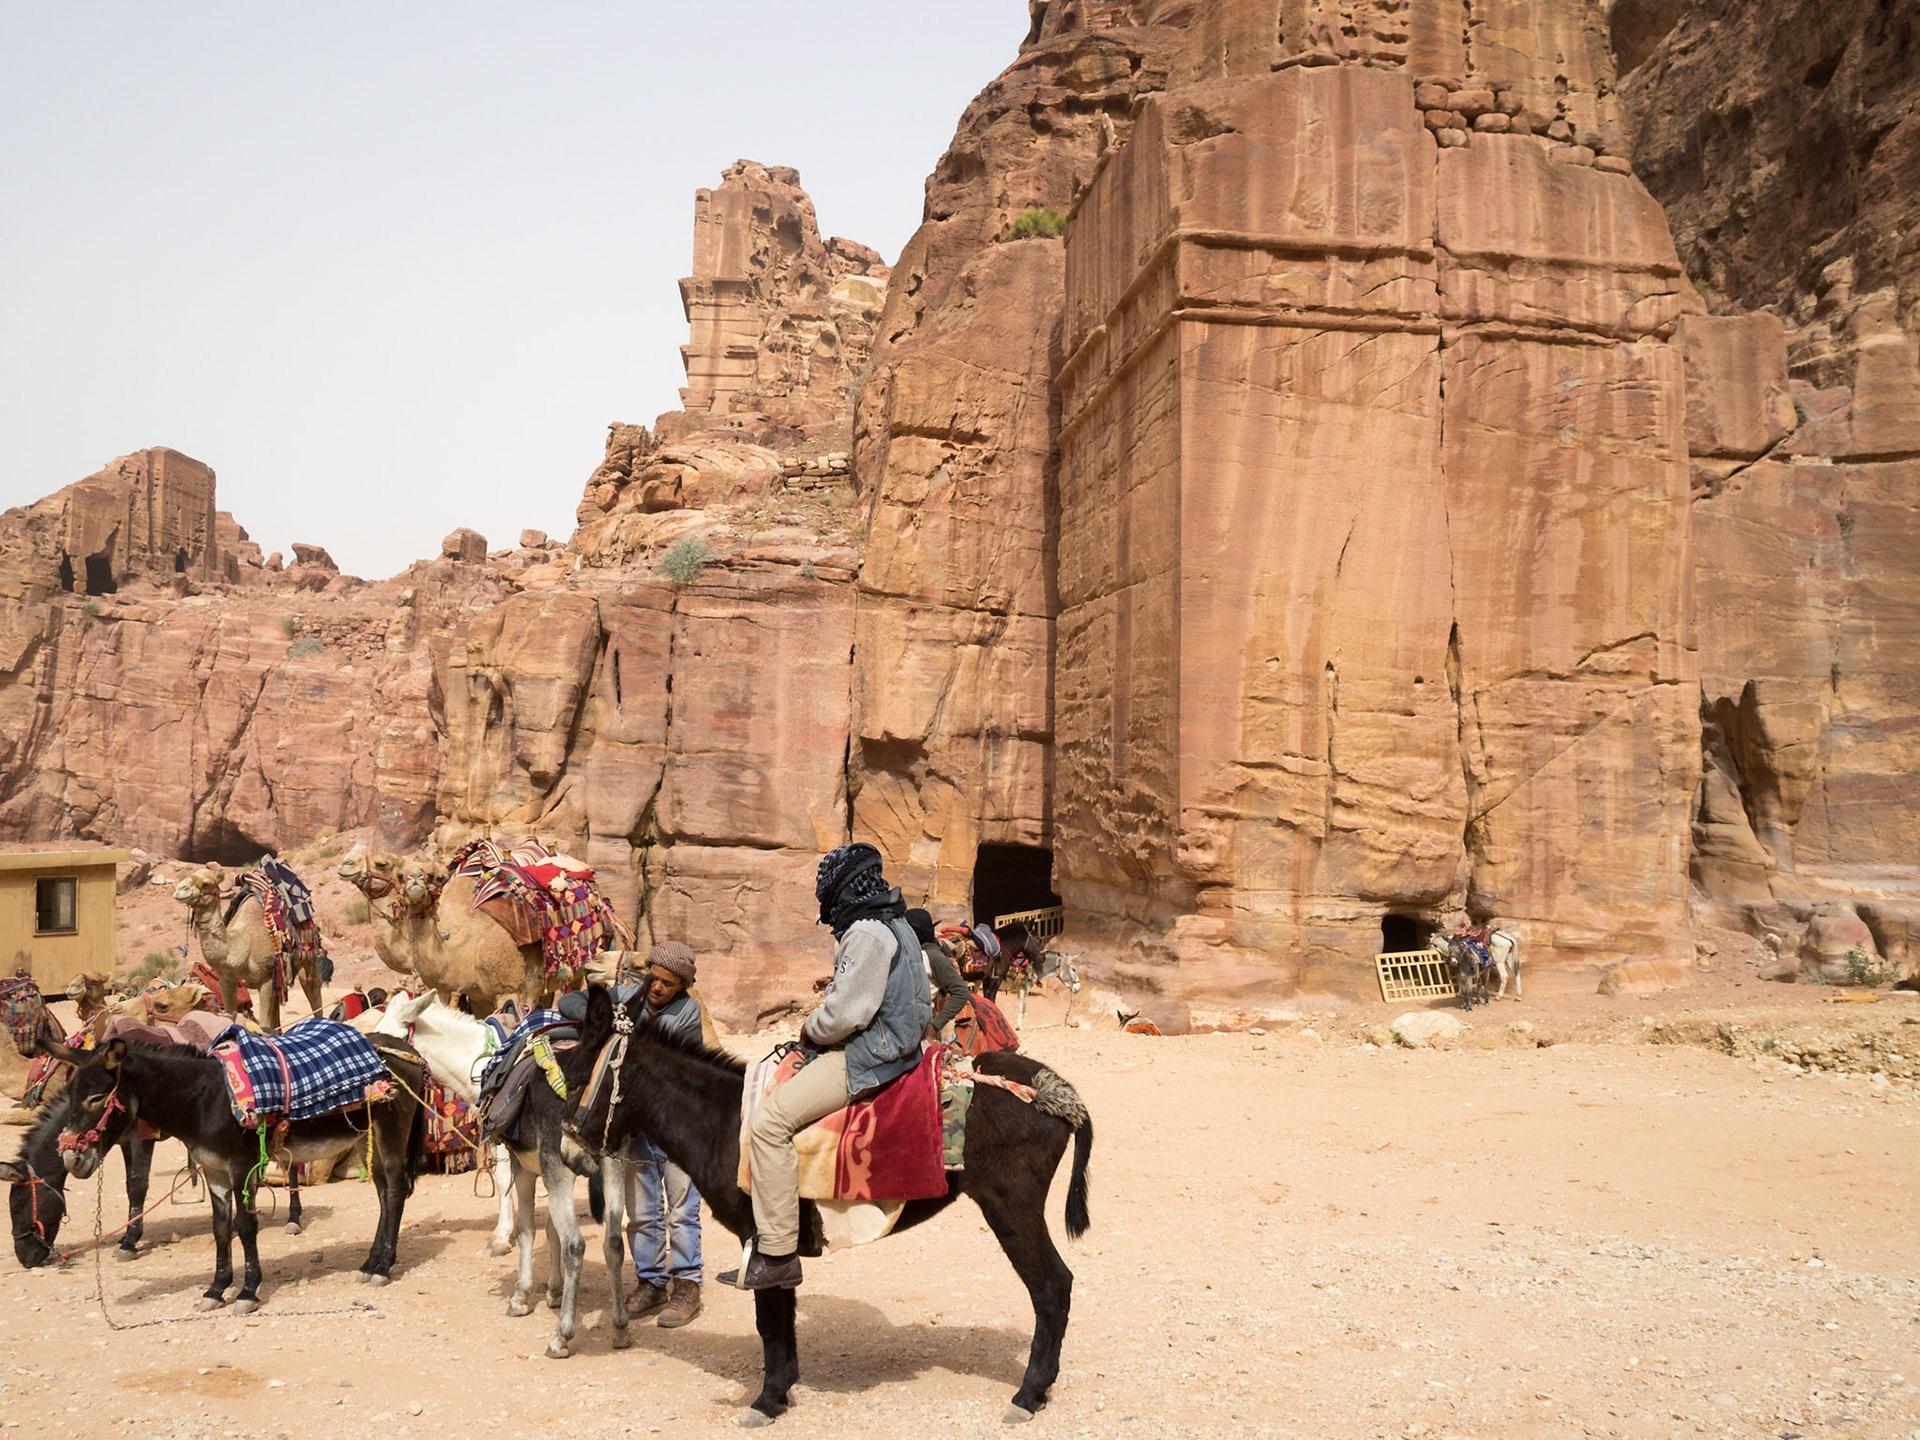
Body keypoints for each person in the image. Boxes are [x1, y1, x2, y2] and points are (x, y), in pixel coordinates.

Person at [736, 843, 931, 1290]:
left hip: (872, 1055)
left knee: (770, 1124)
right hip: (901, 1047)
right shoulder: (897, 923)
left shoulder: (867, 932)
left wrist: (809, 1028)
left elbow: (846, 1014)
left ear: (840, 892)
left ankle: (779, 1252)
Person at [624, 941, 706, 1327]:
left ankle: (687, 1285)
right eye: (653, 979)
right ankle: (650, 1283)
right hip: (638, 1125)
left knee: (682, 1210)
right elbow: (576, 1004)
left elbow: (655, 1046)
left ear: (682, 987)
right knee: (641, 1213)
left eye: (667, 984)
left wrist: (619, 1022)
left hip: (677, 1126)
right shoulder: (631, 995)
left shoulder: (687, 1013)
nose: (657, 988)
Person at [907, 908, 970, 1042]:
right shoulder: (915, 952)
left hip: (920, 1022)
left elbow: (961, 992)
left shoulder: (934, 956)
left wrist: (935, 1026)